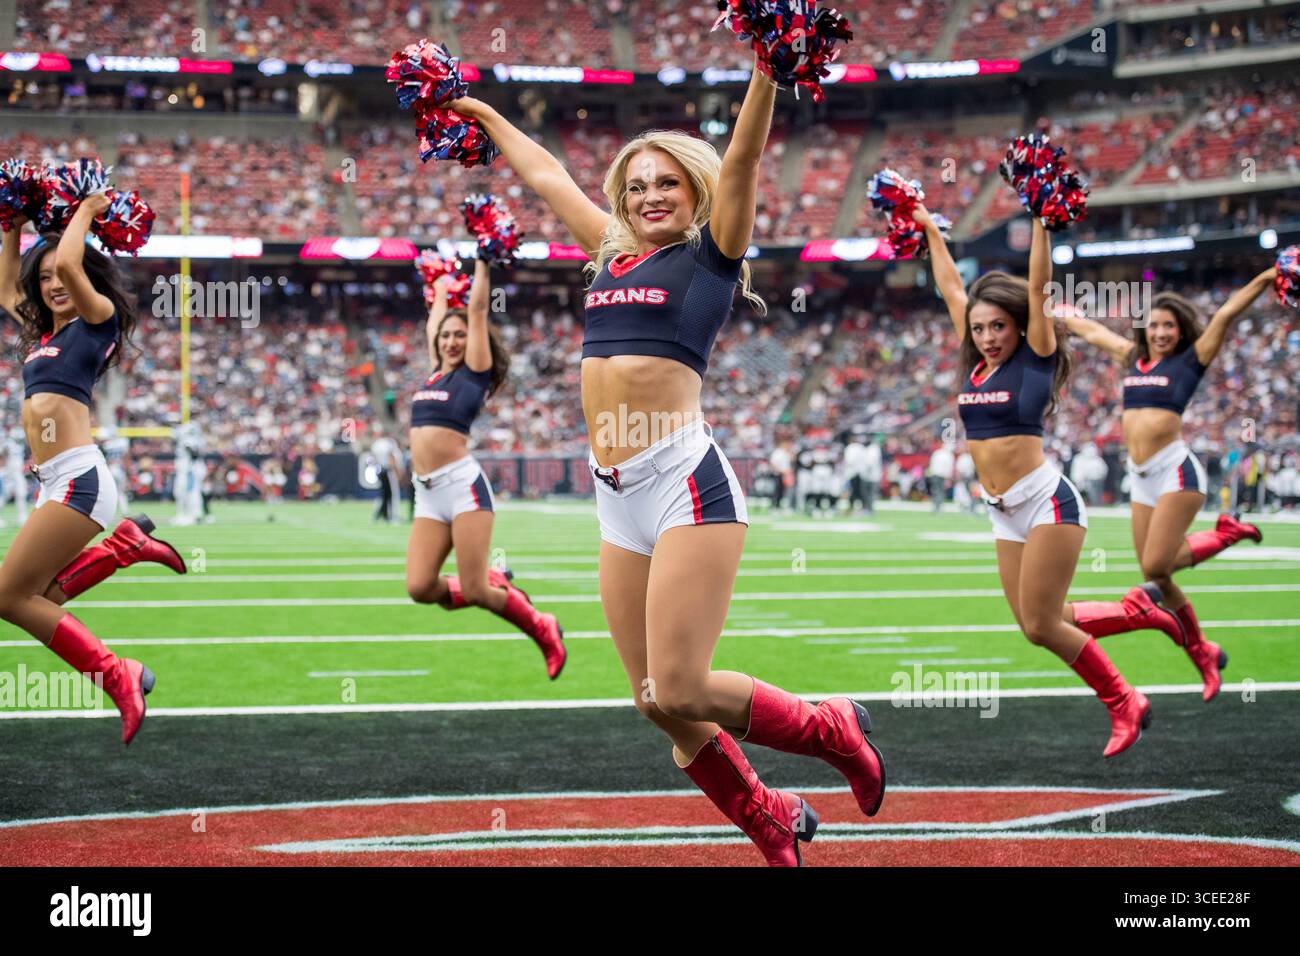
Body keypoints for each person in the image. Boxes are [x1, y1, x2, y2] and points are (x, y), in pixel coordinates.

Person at [449, 62, 885, 866]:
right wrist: (481, 110)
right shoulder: (609, 256)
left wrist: (764, 68)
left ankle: (831, 727)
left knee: (682, 686)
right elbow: (546, 173)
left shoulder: (708, 261)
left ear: (696, 197)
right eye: (637, 184)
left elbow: (747, 161)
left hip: (685, 481)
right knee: (653, 700)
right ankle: (769, 816)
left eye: (668, 184)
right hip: (617, 497)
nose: (651, 195)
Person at [917, 202, 1164, 758]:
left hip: (1048, 503)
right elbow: (953, 289)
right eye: (979, 328)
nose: (986, 336)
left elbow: (1037, 287)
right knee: (1036, 624)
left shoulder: (1035, 355)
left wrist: (1041, 219)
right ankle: (1137, 612)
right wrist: (932, 228)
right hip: (1002, 511)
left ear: (1018, 324)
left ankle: (1125, 700)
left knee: (1044, 624)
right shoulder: (975, 361)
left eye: (997, 325)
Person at [0, 202, 186, 745]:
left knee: (8, 597)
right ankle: (123, 546)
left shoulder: (96, 319)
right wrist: (12, 221)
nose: (54, 284)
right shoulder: (42, 334)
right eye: (45, 277)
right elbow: (8, 287)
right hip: (56, 481)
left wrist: (84, 208)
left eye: (61, 274)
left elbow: (76, 268)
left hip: (78, 479)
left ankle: (115, 673)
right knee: (41, 600)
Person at [1062, 268, 1275, 700]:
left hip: (1176, 471)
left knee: (1158, 567)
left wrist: (1270, 275)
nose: (1160, 332)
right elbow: (1089, 329)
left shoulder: (1191, 359)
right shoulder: (1131, 357)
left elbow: (1228, 313)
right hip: (1141, 479)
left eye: (1169, 326)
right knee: (1155, 571)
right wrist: (1055, 310)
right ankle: (1202, 651)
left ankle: (1224, 537)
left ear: (1181, 331)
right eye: (1154, 325)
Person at [404, 263, 566, 679]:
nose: (452, 340)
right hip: (427, 492)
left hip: (462, 489)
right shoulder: (435, 370)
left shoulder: (472, 375)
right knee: (420, 588)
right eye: (445, 335)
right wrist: (440, 285)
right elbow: (436, 316)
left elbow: (475, 310)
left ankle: (540, 626)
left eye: (459, 335)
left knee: (475, 590)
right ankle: (496, 579)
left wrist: (482, 260)